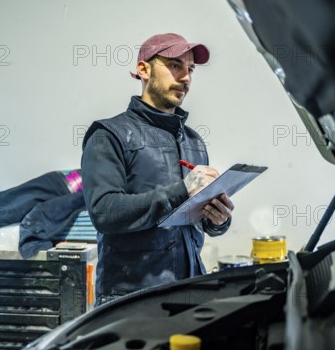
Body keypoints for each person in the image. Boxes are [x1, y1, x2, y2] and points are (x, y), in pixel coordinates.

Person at [81, 33, 235, 305]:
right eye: (175, 65)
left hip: (190, 293)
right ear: (143, 70)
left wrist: (218, 220)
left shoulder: (193, 141)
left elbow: (196, 222)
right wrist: (183, 190)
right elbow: (104, 212)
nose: (186, 77)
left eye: (190, 69)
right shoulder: (109, 134)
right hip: (131, 301)